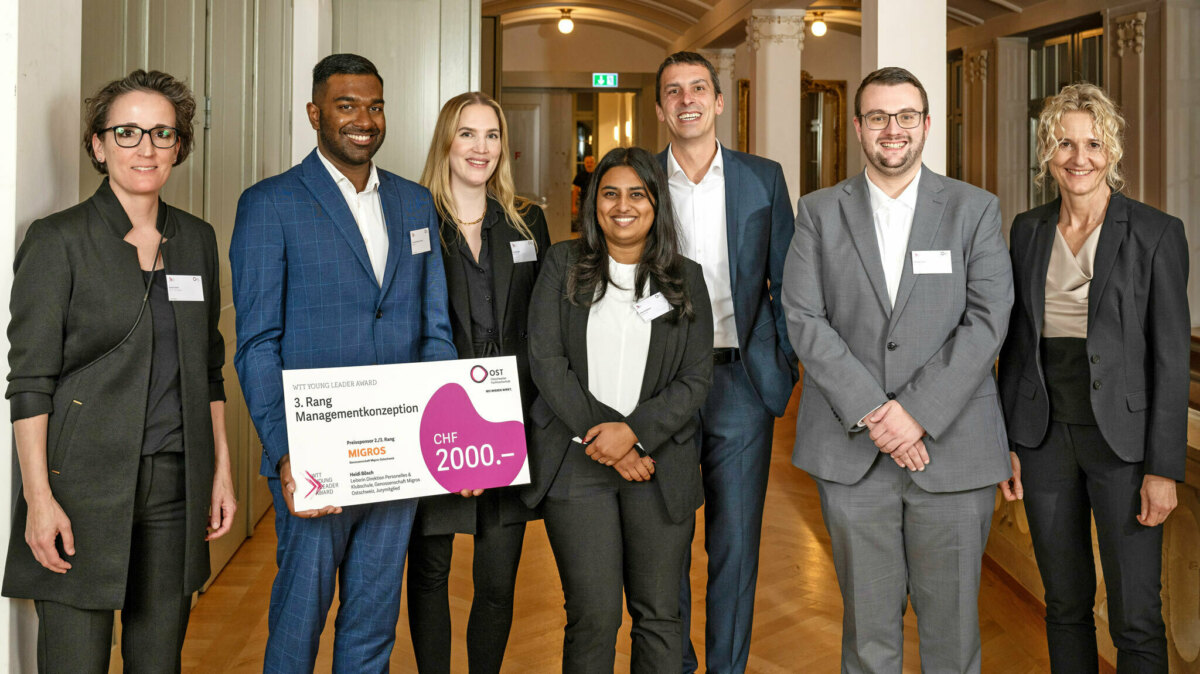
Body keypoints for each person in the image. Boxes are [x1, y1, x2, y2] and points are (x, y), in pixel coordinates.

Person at [2, 69, 236, 673]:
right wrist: (38, 501)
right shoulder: (58, 241)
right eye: (127, 132)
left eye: (162, 133)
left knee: (157, 662)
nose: (147, 147)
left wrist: (220, 474)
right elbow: (29, 382)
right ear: (99, 145)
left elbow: (208, 370)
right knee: (74, 662)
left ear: (180, 146)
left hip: (173, 487)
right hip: (78, 489)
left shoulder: (197, 241)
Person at [781, 66, 1013, 673]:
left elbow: (989, 320)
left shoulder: (974, 209)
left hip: (953, 450)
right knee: (868, 635)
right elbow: (804, 317)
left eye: (906, 116)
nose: (893, 129)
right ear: (857, 127)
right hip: (851, 454)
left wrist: (915, 414)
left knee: (953, 634)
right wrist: (875, 412)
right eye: (878, 116)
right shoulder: (819, 212)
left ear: (926, 125)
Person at [230, 53, 456, 672]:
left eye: (375, 105)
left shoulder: (415, 205)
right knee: (299, 619)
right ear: (314, 114)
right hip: (313, 455)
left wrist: (443, 435)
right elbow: (256, 343)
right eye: (347, 105)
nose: (364, 119)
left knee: (372, 623)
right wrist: (283, 452)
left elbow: (434, 331)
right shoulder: (269, 204)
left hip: (398, 451)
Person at [997, 82, 1187, 673]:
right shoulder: (1027, 230)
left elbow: (1170, 357)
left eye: (1094, 144)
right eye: (1064, 144)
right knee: (1064, 603)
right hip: (1044, 437)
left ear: (1114, 153)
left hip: (1125, 449)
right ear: (1046, 152)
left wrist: (1162, 468)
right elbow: (1014, 343)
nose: (1080, 158)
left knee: (1135, 615)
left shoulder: (1156, 232)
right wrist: (1007, 441)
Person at [523, 146, 714, 673]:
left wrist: (632, 434)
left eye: (637, 193)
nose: (622, 205)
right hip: (575, 464)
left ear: (657, 203)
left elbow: (695, 379)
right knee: (593, 616)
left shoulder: (686, 277)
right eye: (610, 193)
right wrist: (601, 436)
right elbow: (546, 359)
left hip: (659, 466)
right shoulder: (562, 263)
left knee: (658, 617)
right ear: (592, 203)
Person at [652, 50, 797, 674]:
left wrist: (783, 363)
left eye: (698, 89)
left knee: (735, 546)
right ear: (660, 108)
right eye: (674, 91)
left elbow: (789, 280)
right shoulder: (637, 178)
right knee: (666, 540)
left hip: (740, 381)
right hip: (658, 388)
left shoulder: (762, 178)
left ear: (717, 101)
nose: (687, 100)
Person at [405, 91, 550, 674]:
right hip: (435, 421)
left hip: (507, 422)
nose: (481, 147)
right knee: (431, 574)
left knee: (496, 577)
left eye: (491, 135)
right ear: (446, 139)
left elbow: (542, 321)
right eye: (467, 133)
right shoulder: (413, 216)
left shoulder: (526, 219)